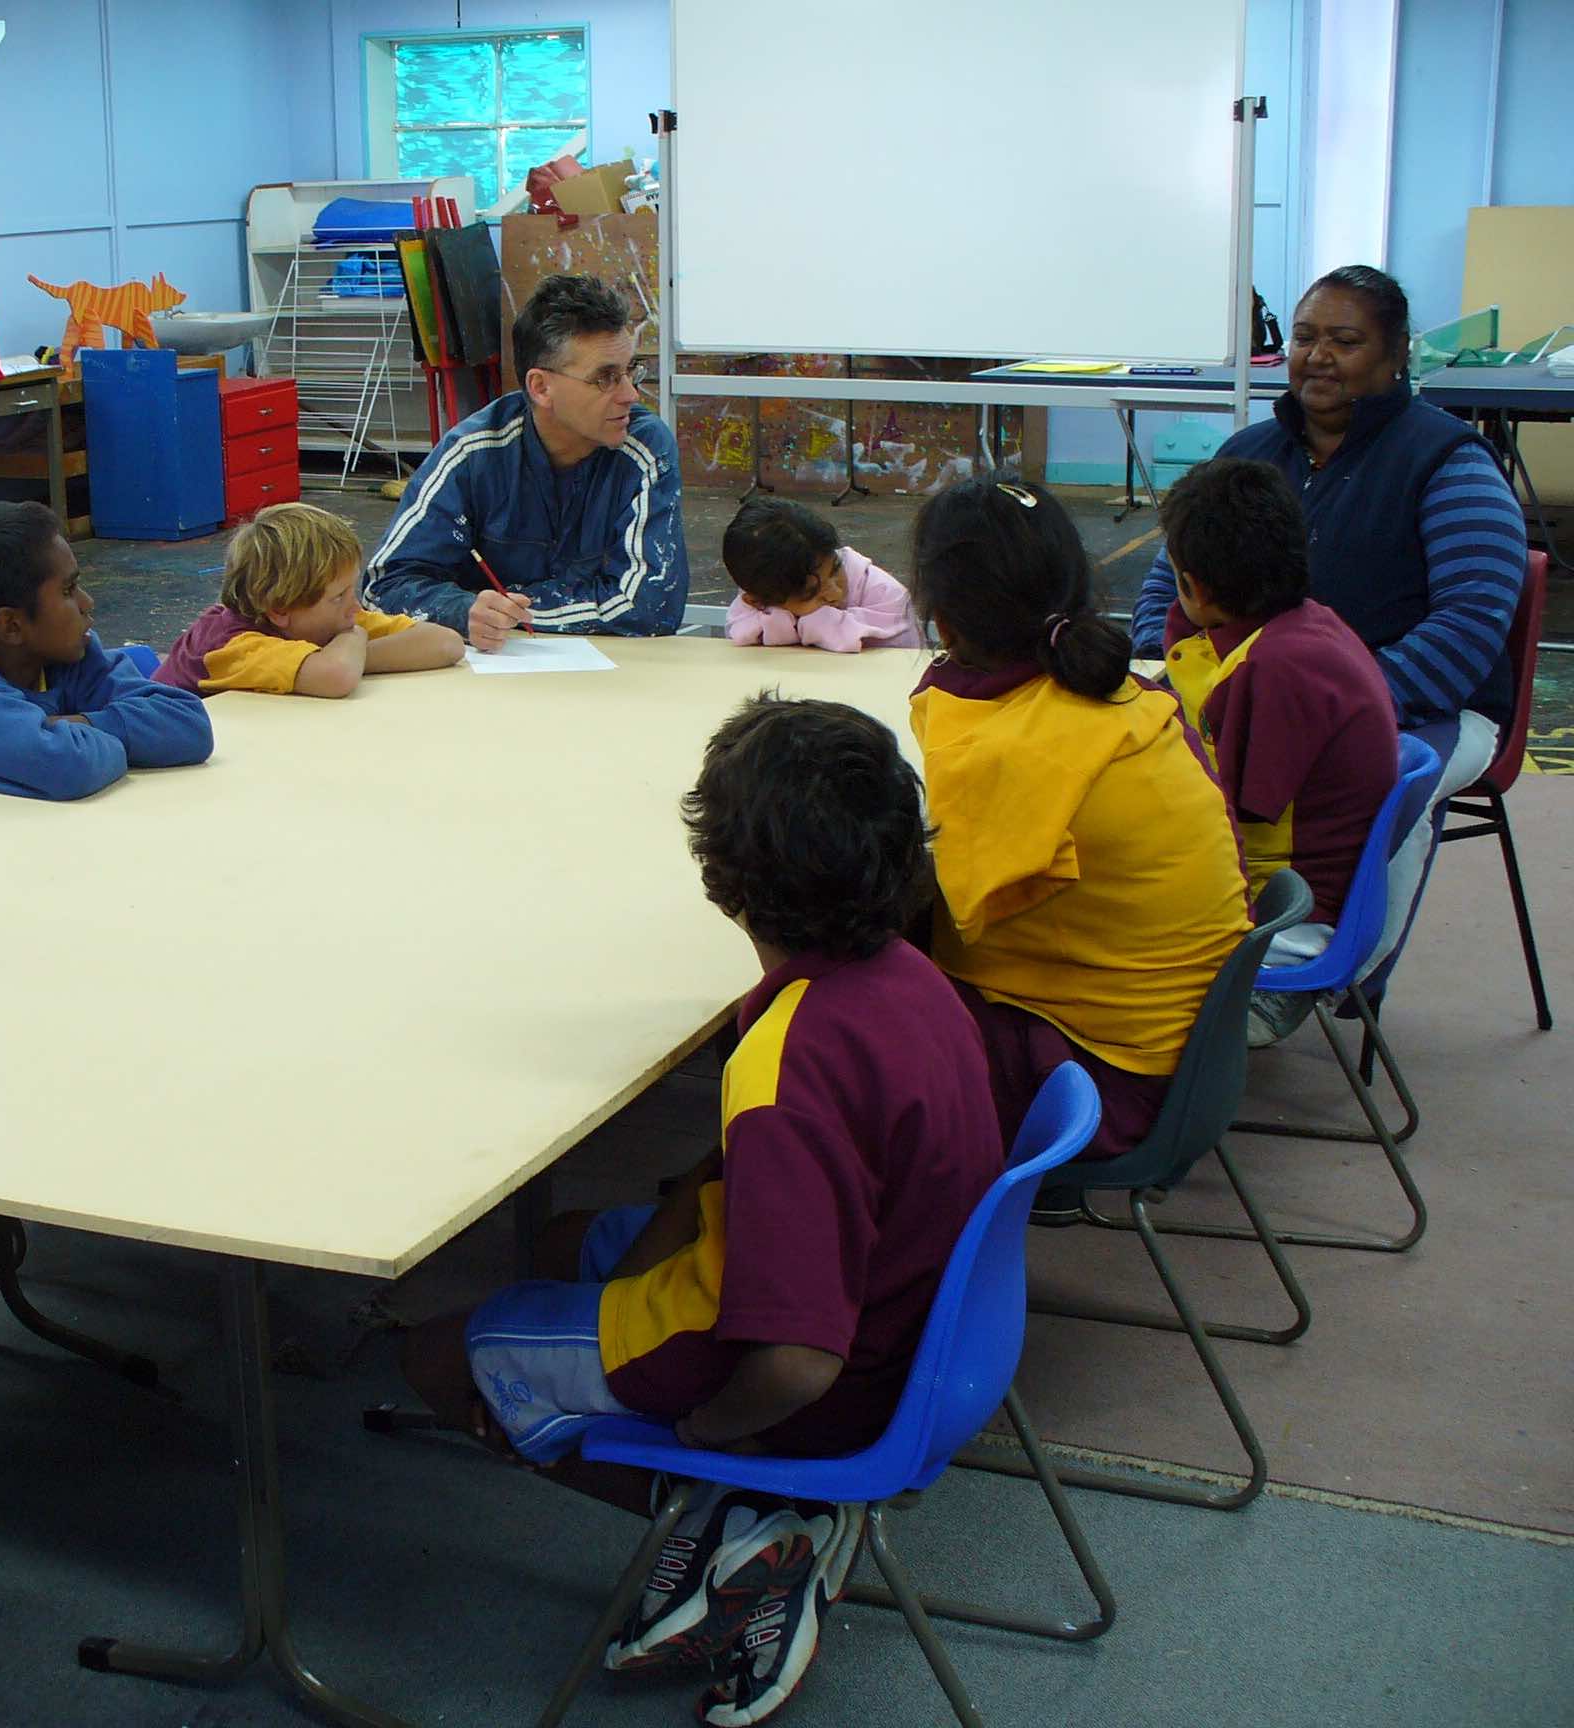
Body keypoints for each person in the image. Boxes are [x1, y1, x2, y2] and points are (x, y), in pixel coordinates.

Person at [399, 696, 1003, 1727]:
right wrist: (666, 1225)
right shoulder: (910, 977)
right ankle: (743, 1506)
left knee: (433, 1354)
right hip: (922, 1325)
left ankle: (762, 1513)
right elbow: (746, 1179)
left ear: (723, 882)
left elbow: (796, 1358)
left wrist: (707, 1431)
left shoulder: (784, 1070)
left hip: (823, 1387)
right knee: (558, 1242)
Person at [1129, 266, 1525, 985]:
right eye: (1307, 337)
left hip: (1424, 710)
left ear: (1397, 352)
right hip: (1249, 694)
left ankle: (1330, 966)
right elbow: (1169, 578)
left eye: (1345, 340)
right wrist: (1154, 669)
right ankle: (1199, 942)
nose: (1318, 356)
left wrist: (1350, 706)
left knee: (1389, 782)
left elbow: (1472, 622)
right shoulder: (1249, 453)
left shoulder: (1448, 461)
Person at [912, 478, 1250, 1158]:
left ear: (944, 624)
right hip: (1180, 1050)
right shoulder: (1127, 696)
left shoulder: (1013, 748)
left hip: (1105, 1083)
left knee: (834, 1000)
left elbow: (936, 911)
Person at [1158, 457, 1400, 1045]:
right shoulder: (1299, 627)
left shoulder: (1275, 668)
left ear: (1194, 583)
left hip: (1289, 925)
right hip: (1302, 892)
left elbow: (1226, 823)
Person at [362, 273, 689, 650]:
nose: (630, 394)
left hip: (614, 678)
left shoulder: (645, 447)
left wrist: (505, 611)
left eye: (631, 371)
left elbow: (651, 607)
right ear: (540, 387)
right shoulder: (473, 454)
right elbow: (382, 587)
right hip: (486, 682)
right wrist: (463, 610)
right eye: (606, 378)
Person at [0, 501, 213, 801]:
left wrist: (76, 723)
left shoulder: (67, 655)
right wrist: (114, 732)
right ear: (11, 626)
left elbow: (189, 725)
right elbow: (74, 765)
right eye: (68, 590)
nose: (87, 603)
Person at [152, 501, 463, 697]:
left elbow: (446, 643)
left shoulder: (324, 614)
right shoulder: (233, 646)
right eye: (340, 596)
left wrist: (353, 654)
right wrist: (352, 639)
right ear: (279, 610)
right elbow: (337, 676)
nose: (355, 606)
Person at [722, 493, 919, 651]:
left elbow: (899, 669)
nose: (835, 593)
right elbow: (741, 633)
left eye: (835, 569)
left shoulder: (887, 596)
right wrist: (782, 622)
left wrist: (815, 623)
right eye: (812, 593)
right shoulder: (764, 586)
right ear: (756, 600)